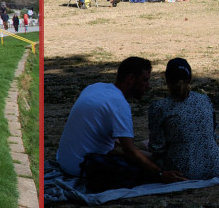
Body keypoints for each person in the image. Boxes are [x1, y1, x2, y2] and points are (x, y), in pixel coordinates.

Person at [56, 57, 186, 183]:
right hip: (83, 167)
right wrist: (160, 174)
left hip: (65, 160)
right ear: (130, 79)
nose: (148, 86)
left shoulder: (95, 87)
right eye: (145, 80)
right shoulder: (119, 104)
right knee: (156, 160)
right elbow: (130, 151)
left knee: (146, 144)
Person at [148, 58, 219, 180]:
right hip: (214, 167)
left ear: (166, 79)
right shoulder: (204, 100)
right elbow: (210, 135)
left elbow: (157, 148)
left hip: (181, 171)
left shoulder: (159, 107)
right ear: (190, 79)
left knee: (140, 154)